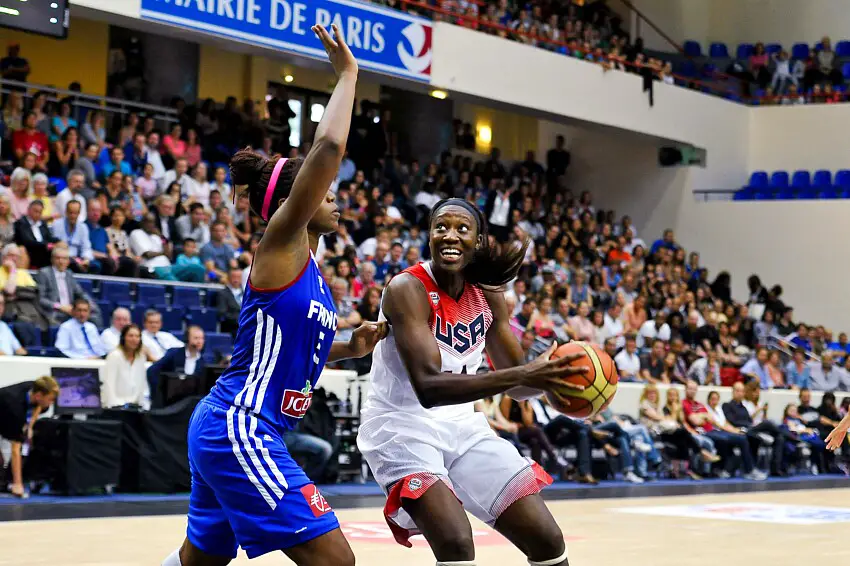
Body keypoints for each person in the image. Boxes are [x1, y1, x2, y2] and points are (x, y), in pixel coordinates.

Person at [163, 25, 384, 566]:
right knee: (337, 561)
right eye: (324, 192)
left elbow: (290, 351)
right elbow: (328, 148)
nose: (335, 200)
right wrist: (348, 75)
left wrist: (351, 347)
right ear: (295, 200)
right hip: (242, 425)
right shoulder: (281, 241)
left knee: (201, 561)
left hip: (232, 426)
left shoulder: (310, 270)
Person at [357, 197, 589, 566]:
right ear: (429, 236)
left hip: (463, 425)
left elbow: (518, 385)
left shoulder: (489, 292)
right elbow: (429, 387)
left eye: (462, 228)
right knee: (456, 542)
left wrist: (556, 381)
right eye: (441, 227)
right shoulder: (407, 288)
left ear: (478, 241)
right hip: (401, 426)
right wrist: (525, 373)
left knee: (547, 538)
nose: (450, 235)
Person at [0, 376, 57, 498]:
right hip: (4, 411)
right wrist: (18, 484)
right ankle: (12, 483)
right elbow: (15, 449)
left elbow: (38, 407)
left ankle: (7, 482)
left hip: (6, 414)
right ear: (39, 396)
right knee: (2, 461)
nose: (52, 403)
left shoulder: (36, 387)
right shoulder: (15, 408)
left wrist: (30, 426)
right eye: (50, 399)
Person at [102, 324, 153, 409]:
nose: (134, 339)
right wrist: (113, 406)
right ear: (123, 338)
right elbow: (109, 384)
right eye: (131, 336)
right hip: (116, 406)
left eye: (137, 336)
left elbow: (141, 384)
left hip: (135, 406)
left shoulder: (141, 357)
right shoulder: (114, 356)